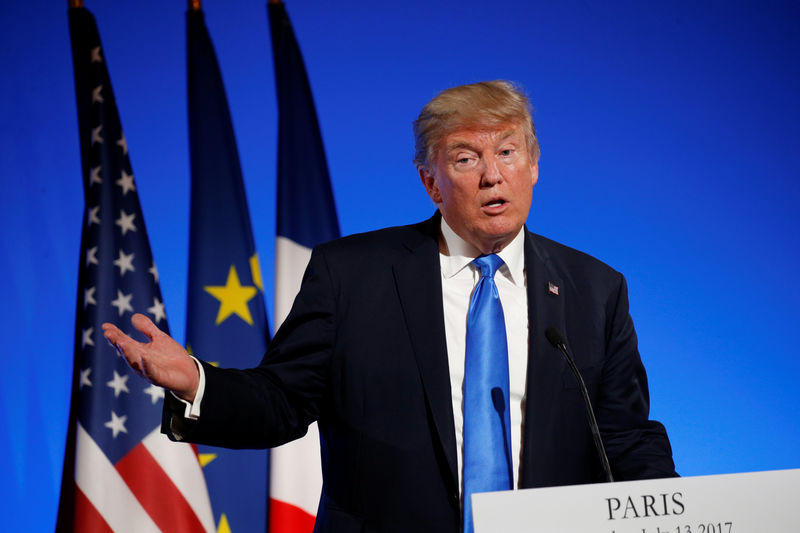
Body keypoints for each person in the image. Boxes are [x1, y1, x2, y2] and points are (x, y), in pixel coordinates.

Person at [103, 80, 676, 533]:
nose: (493, 175)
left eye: (507, 151)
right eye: (466, 159)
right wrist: (197, 382)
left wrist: (681, 516)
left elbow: (623, 436)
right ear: (431, 182)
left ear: (534, 165)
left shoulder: (594, 288)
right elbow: (282, 401)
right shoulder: (352, 273)